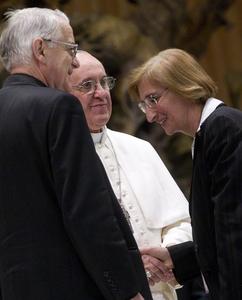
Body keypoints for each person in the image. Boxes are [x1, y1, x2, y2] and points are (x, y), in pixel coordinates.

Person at [0, 7, 153, 300]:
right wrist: (126, 291)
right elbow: (88, 212)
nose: (72, 64)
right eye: (70, 49)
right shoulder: (59, 107)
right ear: (40, 50)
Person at [69, 50, 193, 300]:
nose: (101, 93)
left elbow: (182, 221)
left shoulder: (140, 149)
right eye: (87, 85)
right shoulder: (61, 159)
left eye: (105, 82)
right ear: (62, 95)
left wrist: (162, 256)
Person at [127, 48, 242, 300]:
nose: (149, 115)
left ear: (183, 85)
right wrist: (175, 258)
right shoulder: (207, 134)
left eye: (153, 100)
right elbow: (216, 233)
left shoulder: (223, 129)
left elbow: (233, 231)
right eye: (144, 104)